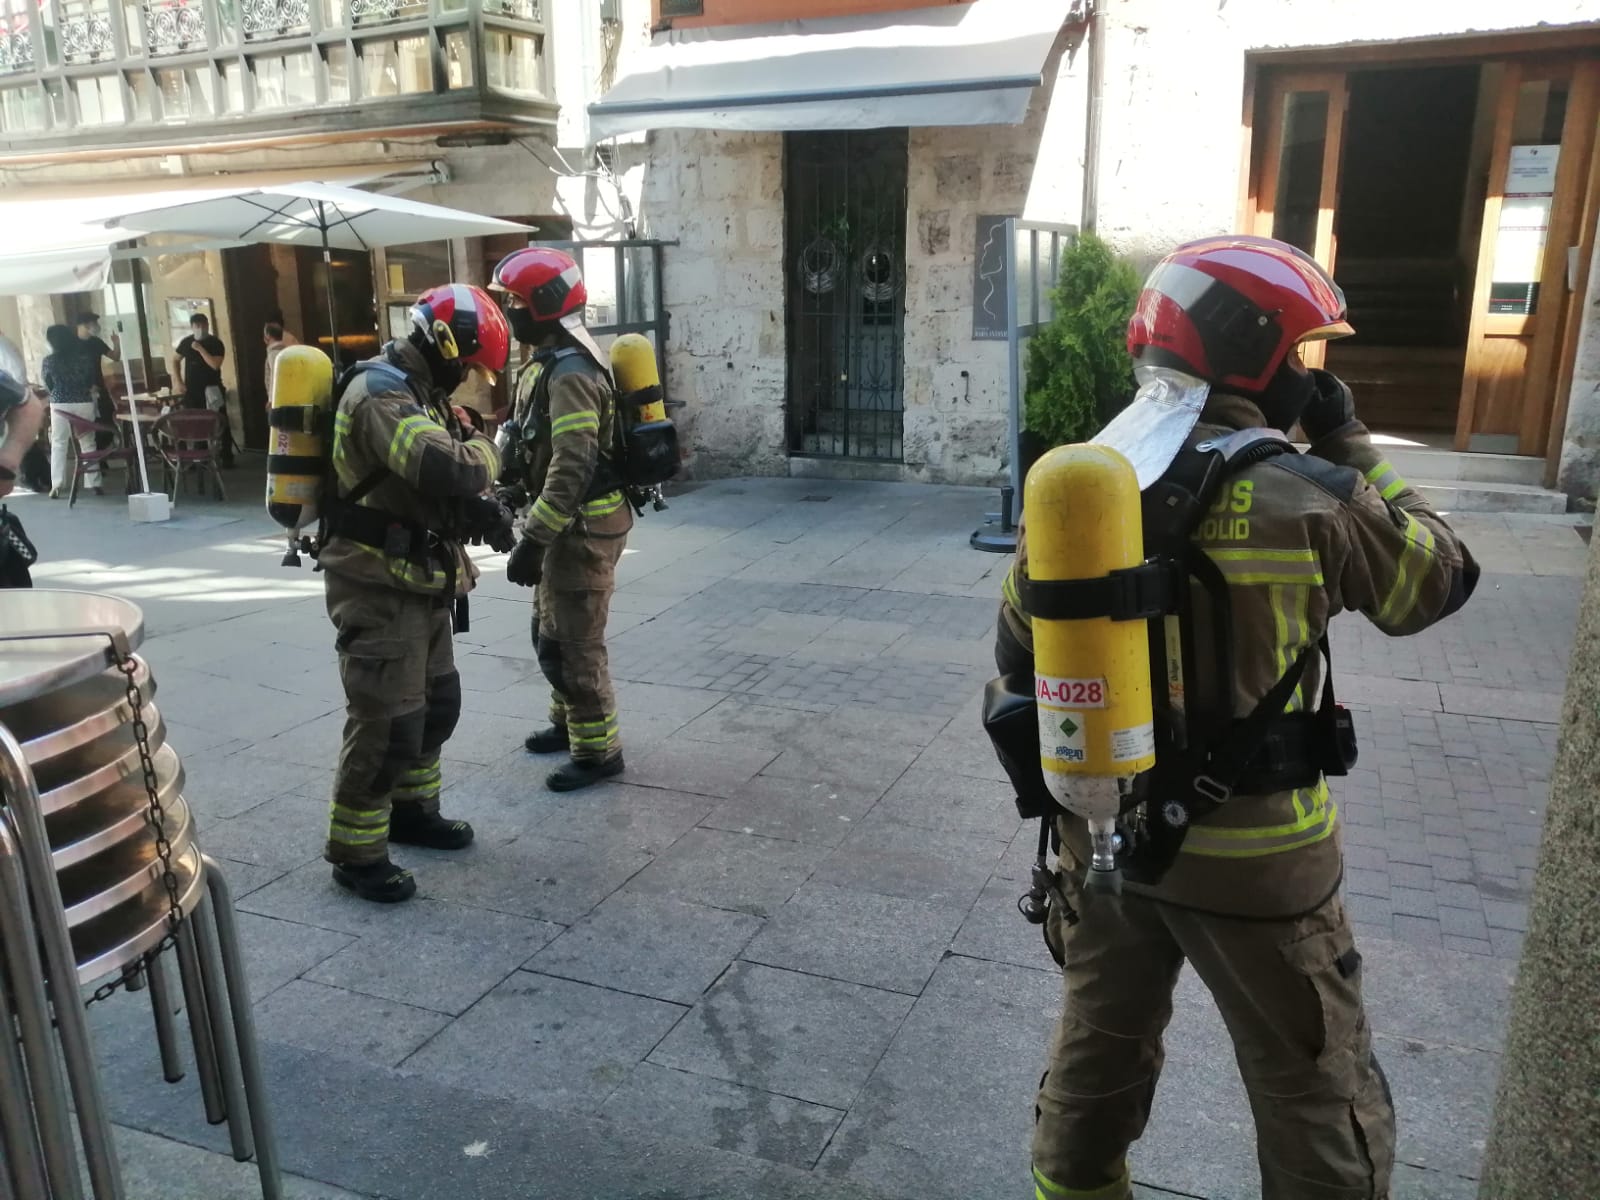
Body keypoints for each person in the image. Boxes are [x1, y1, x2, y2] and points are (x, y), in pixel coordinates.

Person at [1000, 235, 1479, 1200]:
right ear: (1253, 354)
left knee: (1097, 1060)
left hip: (1104, 839)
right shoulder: (1311, 494)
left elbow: (1018, 652)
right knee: (1315, 1089)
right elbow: (1438, 578)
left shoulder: (1082, 484)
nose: (1309, 374)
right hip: (1261, 861)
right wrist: (1349, 442)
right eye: (1300, 355)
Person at [318, 282, 513, 904]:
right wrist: (490, 448)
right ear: (445, 346)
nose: (470, 375)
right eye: (470, 363)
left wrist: (480, 513)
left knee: (436, 708)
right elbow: (444, 467)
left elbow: (440, 484)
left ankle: (413, 813)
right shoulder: (379, 393)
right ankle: (356, 851)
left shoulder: (419, 393)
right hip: (376, 583)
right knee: (387, 725)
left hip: (423, 576)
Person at [490, 247, 631, 792]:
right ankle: (567, 722)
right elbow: (531, 443)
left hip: (582, 529)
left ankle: (599, 752)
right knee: (548, 629)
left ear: (544, 307)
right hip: (565, 528)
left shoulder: (570, 372)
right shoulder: (546, 361)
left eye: (515, 303)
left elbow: (574, 464)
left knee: (573, 643)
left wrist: (534, 540)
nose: (508, 314)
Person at [42, 323, 103, 498]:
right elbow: (91, 380)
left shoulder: (49, 361)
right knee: (88, 441)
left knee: (59, 443)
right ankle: (94, 483)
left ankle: (57, 484)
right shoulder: (84, 358)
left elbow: (48, 384)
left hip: (60, 404)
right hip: (83, 402)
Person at [173, 313, 233, 467]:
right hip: (192, 390)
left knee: (219, 421)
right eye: (197, 326)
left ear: (207, 325)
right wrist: (179, 381)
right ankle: (200, 457)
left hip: (212, 387)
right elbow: (175, 360)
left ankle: (226, 456)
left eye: (203, 325)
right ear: (192, 327)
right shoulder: (186, 342)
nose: (200, 328)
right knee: (195, 423)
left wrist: (200, 349)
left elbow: (215, 364)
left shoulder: (215, 343)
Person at [263, 317, 299, 406]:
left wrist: (271, 400)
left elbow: (274, 377)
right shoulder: (285, 352)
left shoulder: (274, 354)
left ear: (268, 336)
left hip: (279, 402)